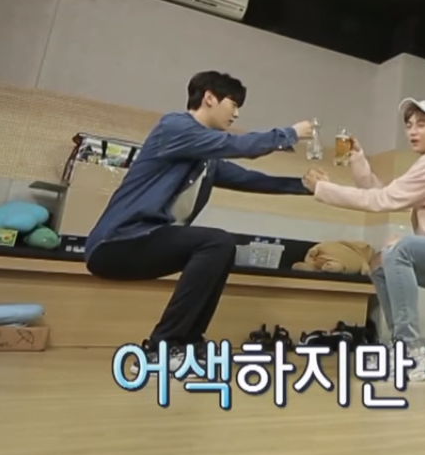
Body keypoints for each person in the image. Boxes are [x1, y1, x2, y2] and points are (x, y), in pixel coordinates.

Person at [84, 71, 318, 372]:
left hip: (145, 239)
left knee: (222, 248)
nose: (237, 113)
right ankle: (161, 348)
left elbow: (249, 179)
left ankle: (188, 344)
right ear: (209, 97)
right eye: (233, 104)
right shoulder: (174, 127)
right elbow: (241, 146)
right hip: (117, 241)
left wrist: (304, 186)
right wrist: (290, 134)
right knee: (216, 242)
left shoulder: (206, 159)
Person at [304, 99, 425, 381]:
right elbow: (387, 195)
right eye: (409, 125)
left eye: (422, 125)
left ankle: (410, 350)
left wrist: (323, 189)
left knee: (397, 248)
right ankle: (400, 348)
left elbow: (382, 200)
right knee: (379, 262)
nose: (412, 131)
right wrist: (358, 160)